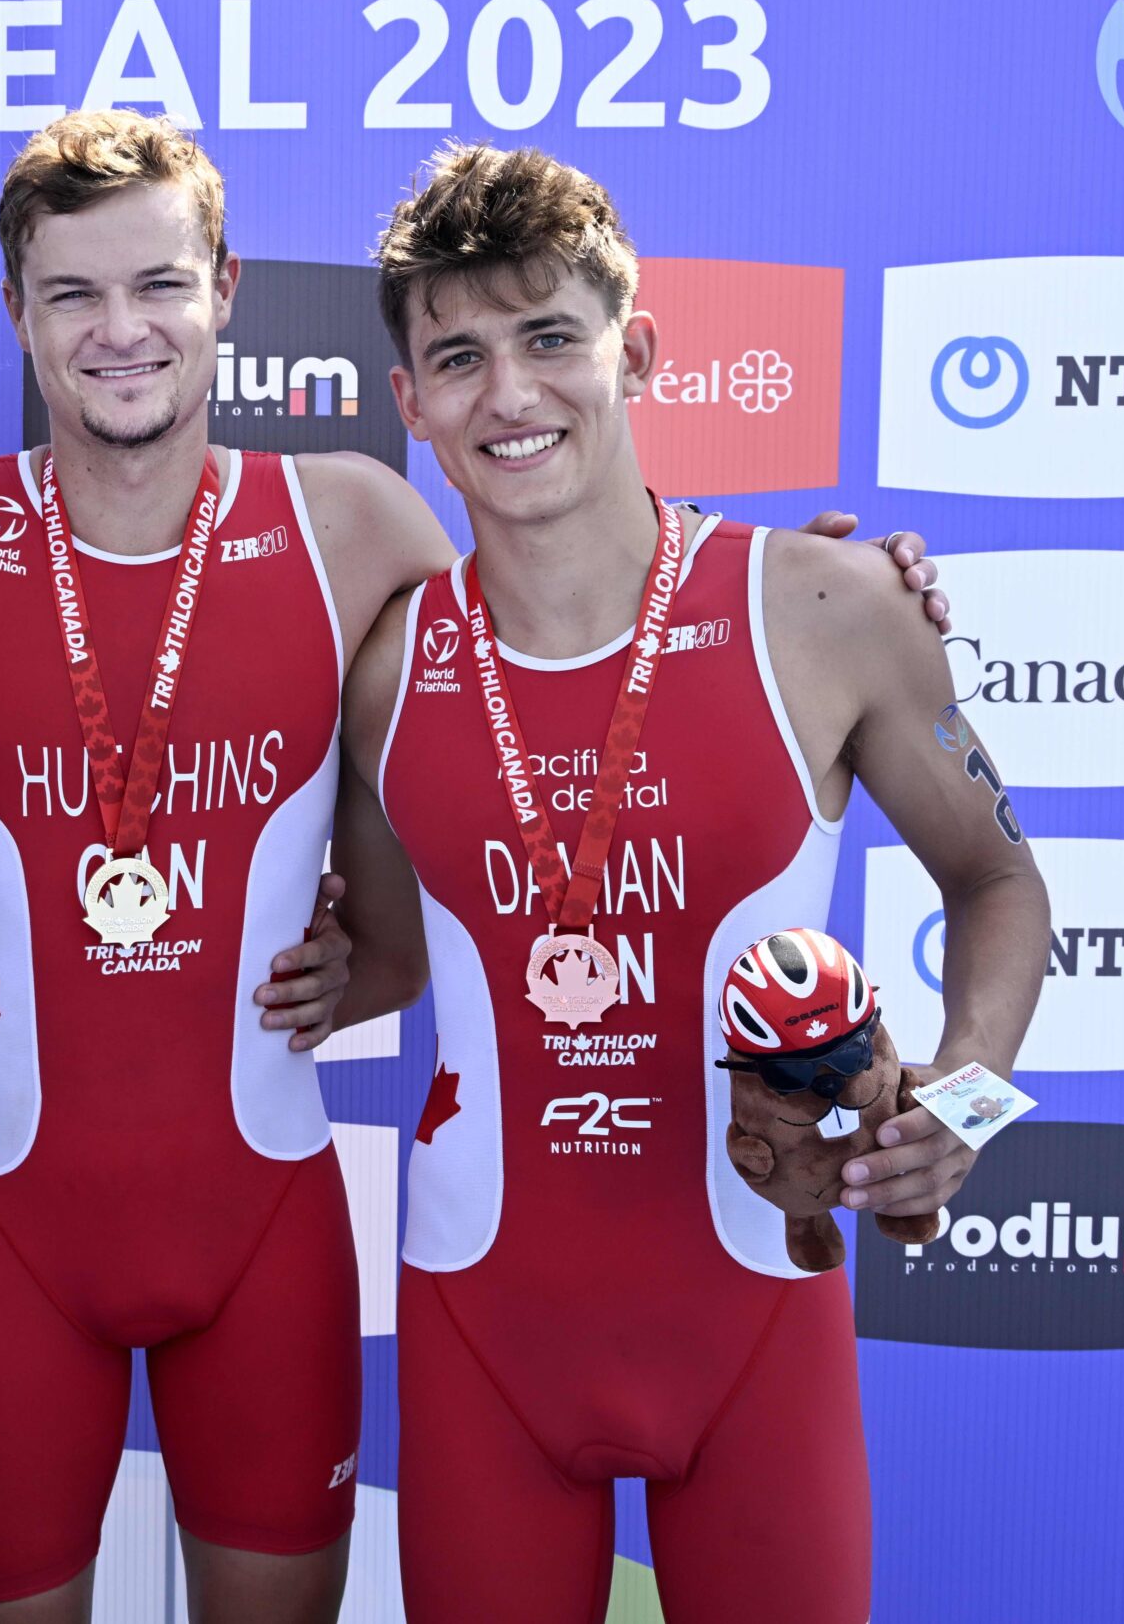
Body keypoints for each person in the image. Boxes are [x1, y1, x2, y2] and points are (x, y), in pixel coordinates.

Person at [0, 111, 949, 1623]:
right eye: (71, 295)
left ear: (225, 288)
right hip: (12, 1225)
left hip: (269, 1226)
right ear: (15, 310)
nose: (120, 331)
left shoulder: (355, 523)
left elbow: (550, 653)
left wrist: (826, 595)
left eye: (159, 285)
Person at [328, 141, 1050, 1623]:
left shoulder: (826, 606)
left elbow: (1000, 882)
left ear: (635, 352)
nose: (510, 395)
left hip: (755, 1326)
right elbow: (384, 954)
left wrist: (965, 1107)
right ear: (409, 403)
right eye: (456, 357)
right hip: (484, 1331)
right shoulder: (387, 665)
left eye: (550, 338)